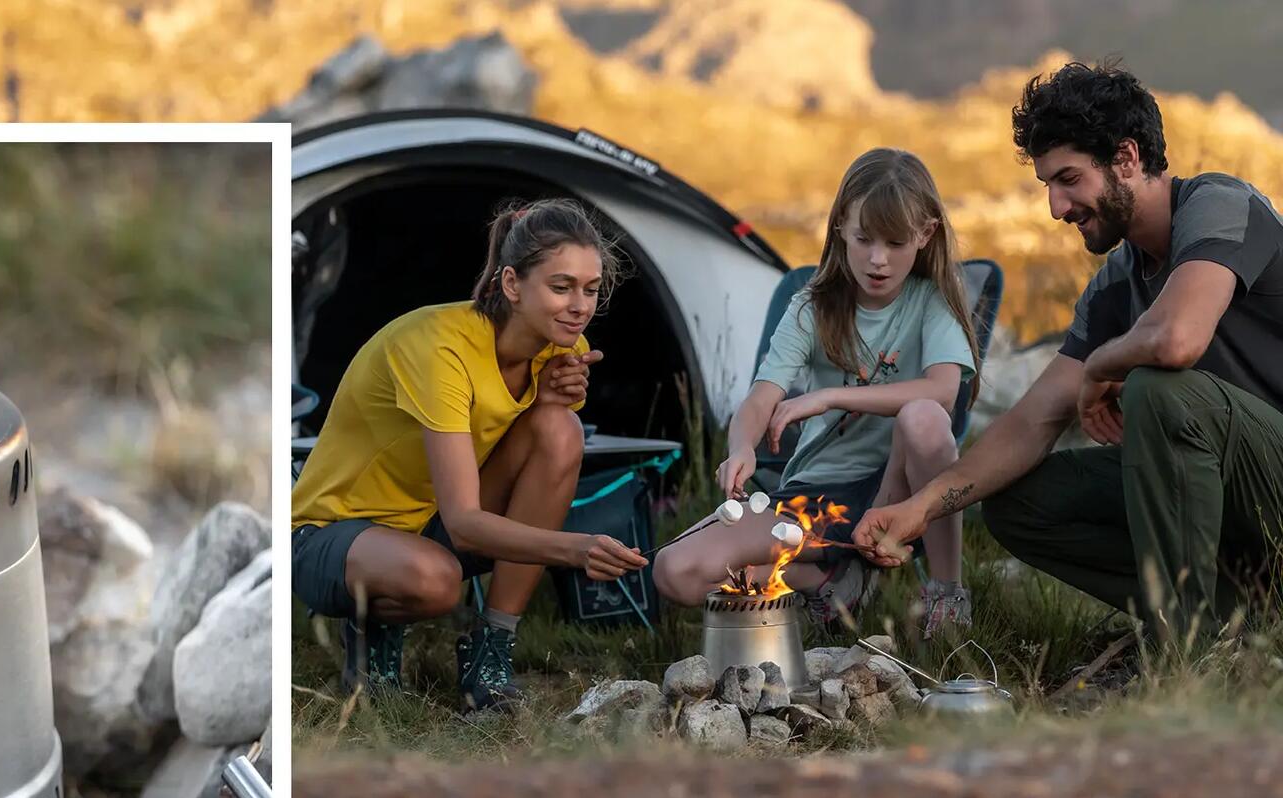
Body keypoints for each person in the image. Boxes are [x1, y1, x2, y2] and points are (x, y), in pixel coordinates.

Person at [854, 60, 1283, 651]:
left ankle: (1188, 649)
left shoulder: (1219, 205)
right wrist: (920, 507)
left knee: (1162, 388)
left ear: (1127, 159)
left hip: (1275, 482)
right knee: (1018, 502)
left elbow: (1178, 339)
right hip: (1240, 517)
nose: (1056, 208)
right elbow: (1032, 422)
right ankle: (1236, 620)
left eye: (1069, 179)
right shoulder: (1116, 283)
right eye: (1048, 187)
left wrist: (1105, 364)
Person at [290, 198, 648, 711]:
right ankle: (373, 638)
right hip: (329, 534)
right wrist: (574, 549)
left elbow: (529, 441)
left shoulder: (559, 344)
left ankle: (491, 649)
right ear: (511, 285)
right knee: (436, 581)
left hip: (427, 519)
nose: (580, 306)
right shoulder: (440, 350)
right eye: (561, 286)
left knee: (560, 429)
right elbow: (464, 524)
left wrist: (545, 401)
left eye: (591, 290)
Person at [652, 148, 980, 637]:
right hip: (818, 497)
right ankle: (828, 578)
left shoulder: (931, 302)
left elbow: (942, 393)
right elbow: (762, 397)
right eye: (864, 238)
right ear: (840, 227)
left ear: (925, 234)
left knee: (923, 418)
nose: (877, 259)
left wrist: (829, 397)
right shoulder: (813, 307)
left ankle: (946, 593)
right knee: (673, 571)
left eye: (895, 242)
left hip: (896, 492)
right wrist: (742, 445)